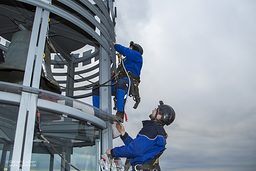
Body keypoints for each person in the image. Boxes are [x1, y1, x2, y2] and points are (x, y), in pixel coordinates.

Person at [106, 101, 176, 171]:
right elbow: (138, 147)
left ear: (159, 116)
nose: (153, 110)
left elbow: (135, 150)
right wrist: (124, 134)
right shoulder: (158, 132)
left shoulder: (152, 129)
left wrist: (112, 152)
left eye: (156, 109)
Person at [92, 41, 143, 122]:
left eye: (131, 47)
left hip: (128, 82)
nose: (129, 48)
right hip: (119, 82)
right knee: (96, 87)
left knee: (121, 83)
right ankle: (97, 113)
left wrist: (114, 45)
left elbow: (125, 51)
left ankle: (120, 113)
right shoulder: (125, 61)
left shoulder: (137, 56)